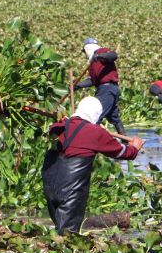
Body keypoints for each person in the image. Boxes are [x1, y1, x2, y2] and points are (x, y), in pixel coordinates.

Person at [43, 97, 144, 234]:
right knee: (68, 234)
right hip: (72, 189)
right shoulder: (95, 132)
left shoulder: (58, 126)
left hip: (50, 185)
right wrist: (134, 148)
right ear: (96, 114)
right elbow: (122, 152)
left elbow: (62, 131)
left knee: (58, 228)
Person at [75, 37, 126, 135]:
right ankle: (125, 140)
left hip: (107, 89)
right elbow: (92, 81)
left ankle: (93, 139)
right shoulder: (92, 64)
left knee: (96, 115)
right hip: (107, 89)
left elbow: (113, 56)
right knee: (114, 117)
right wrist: (78, 85)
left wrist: (99, 56)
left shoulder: (101, 52)